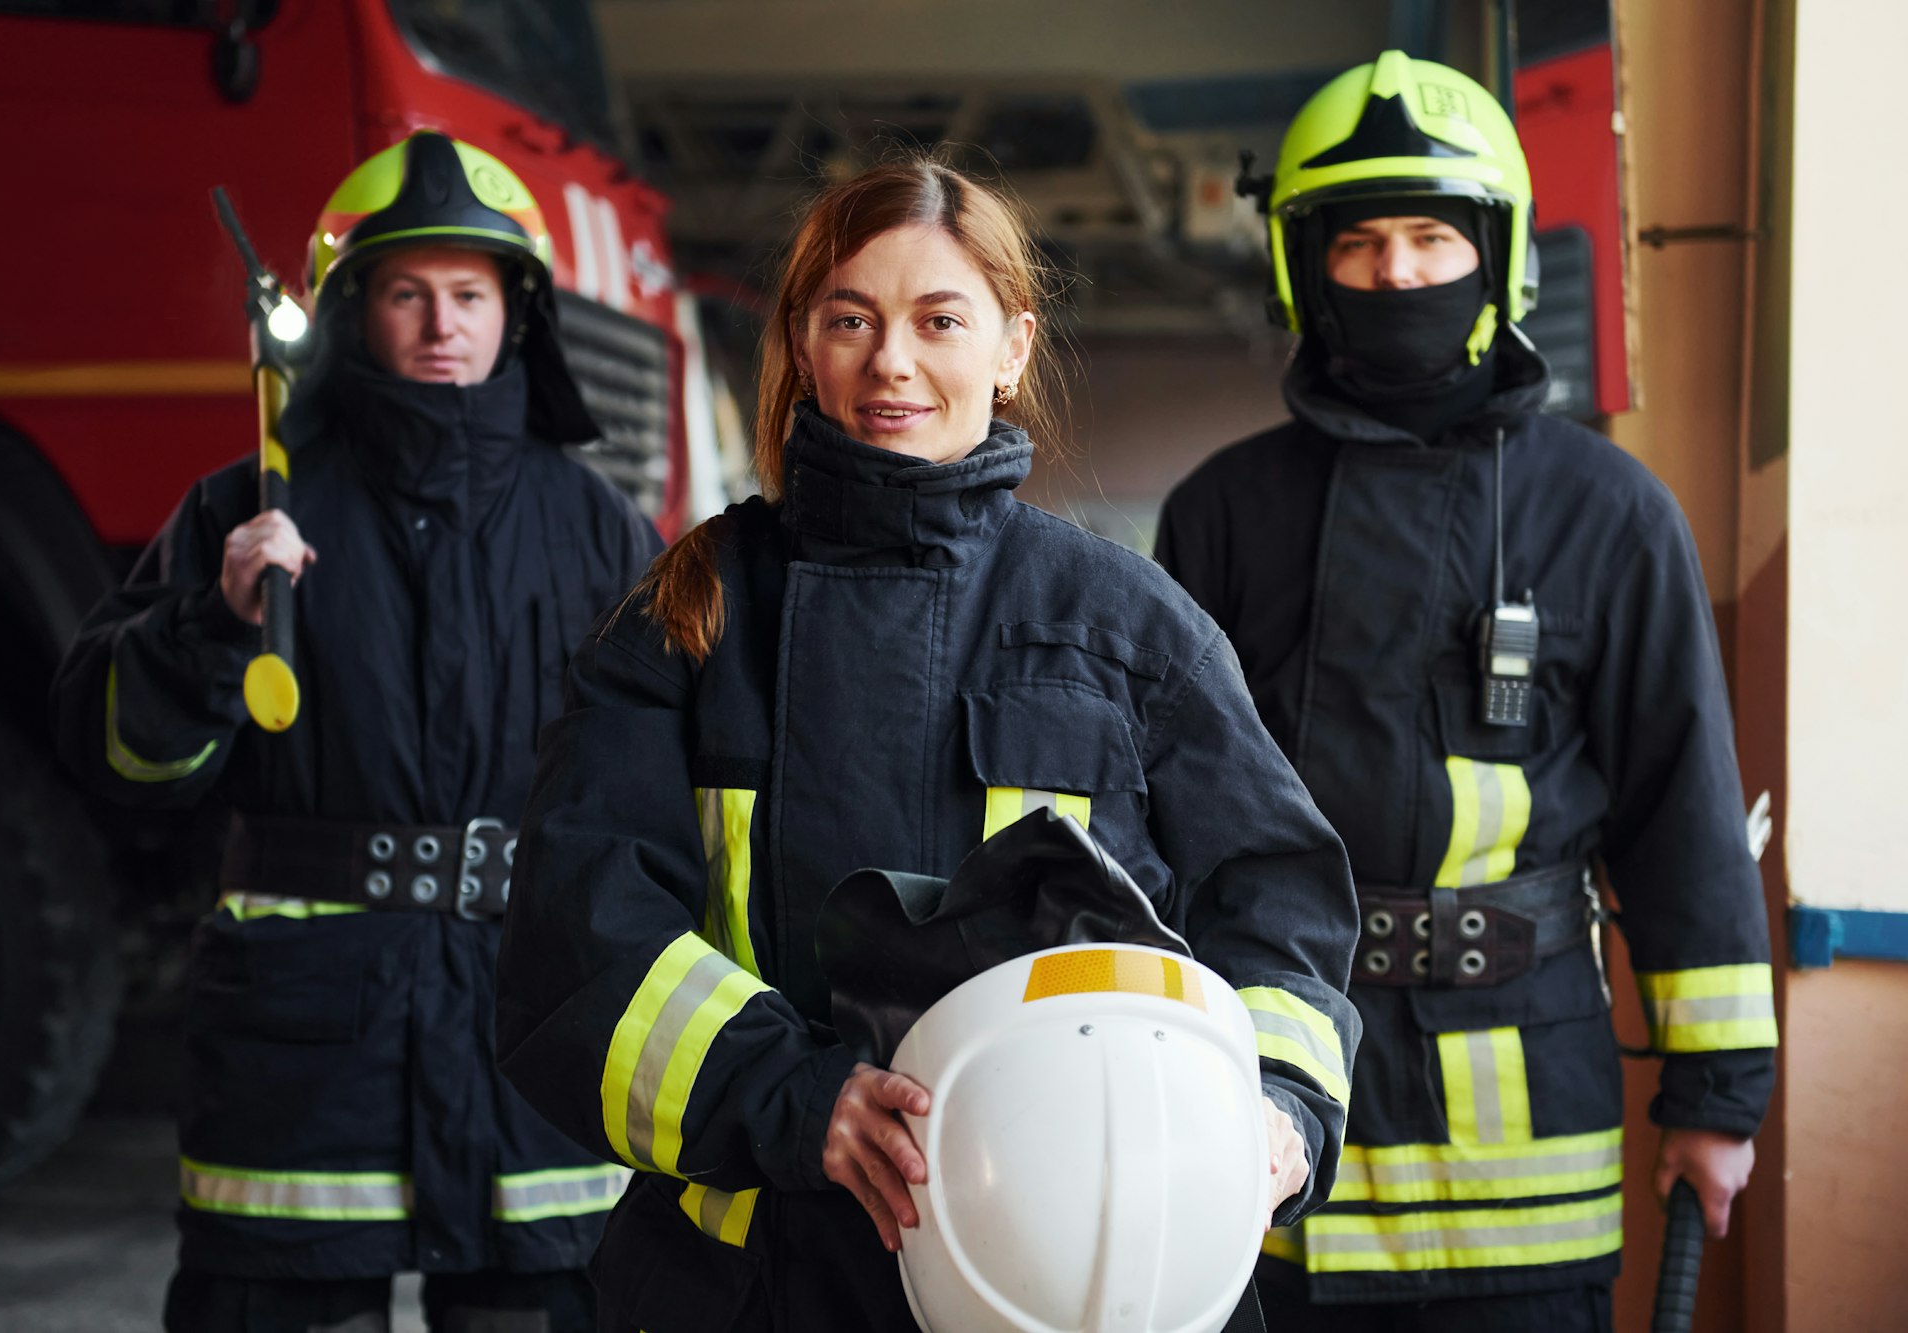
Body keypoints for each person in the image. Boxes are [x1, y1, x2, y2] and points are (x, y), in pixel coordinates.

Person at [494, 156, 1362, 1333]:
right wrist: (796, 1097)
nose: (890, 361)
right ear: (802, 344)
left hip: (1073, 1281)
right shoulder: (692, 610)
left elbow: (1278, 900)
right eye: (850, 319)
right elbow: (579, 926)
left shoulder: (1127, 626)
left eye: (937, 320)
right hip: (747, 1288)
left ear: (1010, 347)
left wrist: (1277, 1104)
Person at [1155, 51, 1778, 1330]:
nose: (1396, 274)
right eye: (1362, 241)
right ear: (1301, 264)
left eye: (1431, 237)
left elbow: (1681, 813)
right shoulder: (1221, 514)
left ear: (1495, 260)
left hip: (1529, 1164)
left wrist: (1715, 1098)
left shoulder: (1610, 513)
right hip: (1280, 1132)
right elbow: (1161, 819)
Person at [50, 132, 662, 1332]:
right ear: (349, 313)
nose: (443, 324)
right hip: (306, 1050)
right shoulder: (246, 510)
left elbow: (660, 789)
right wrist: (209, 626)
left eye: (470, 295)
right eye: (406, 292)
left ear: (515, 315)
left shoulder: (600, 528)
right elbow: (120, 760)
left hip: (528, 1032)